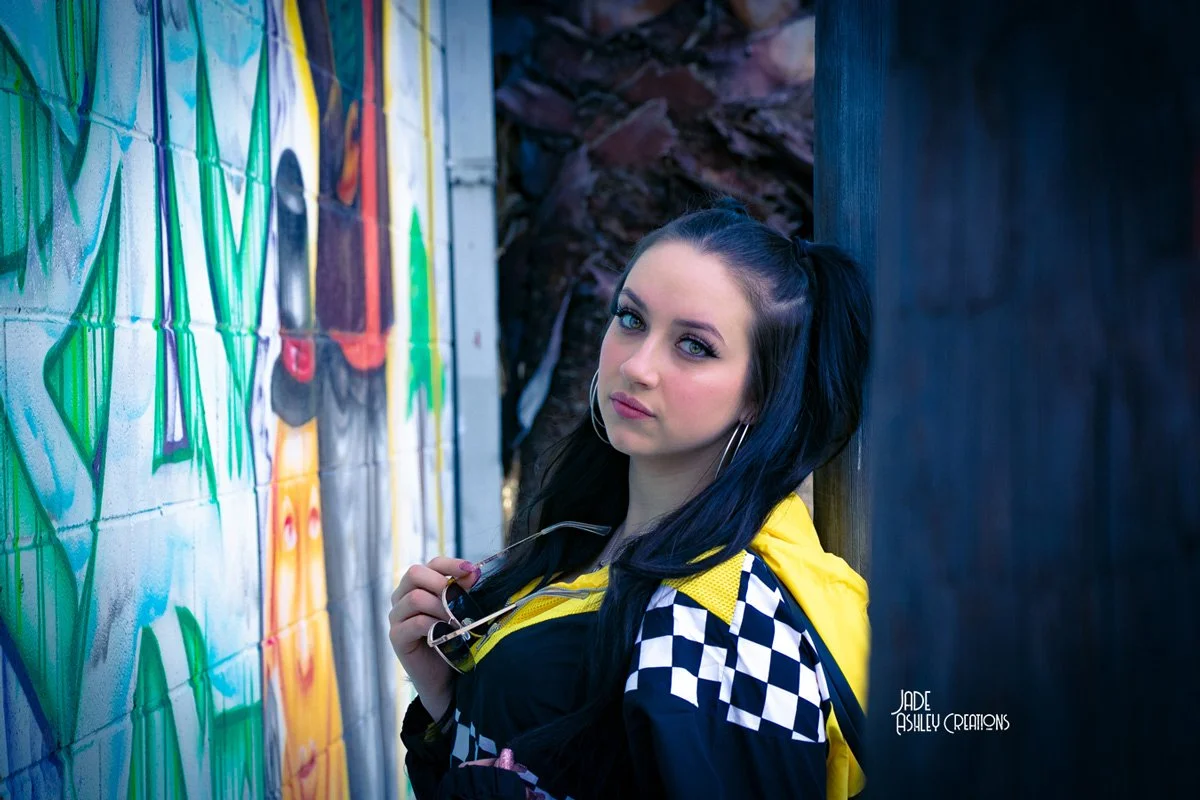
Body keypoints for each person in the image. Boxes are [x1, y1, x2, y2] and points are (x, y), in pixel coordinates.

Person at [388, 199, 872, 799]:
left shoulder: (722, 620)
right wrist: (450, 699)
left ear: (759, 395)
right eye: (631, 319)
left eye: (694, 346)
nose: (638, 366)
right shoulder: (586, 540)